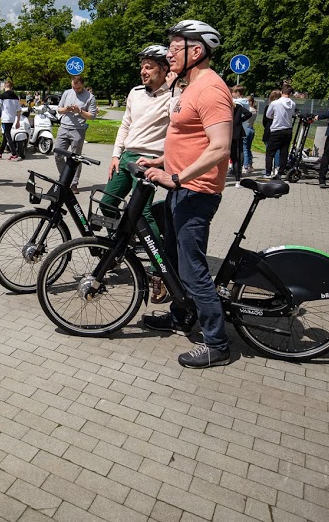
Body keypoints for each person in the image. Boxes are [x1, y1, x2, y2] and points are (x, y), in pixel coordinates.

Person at [140, 19, 234, 369]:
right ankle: (180, 317)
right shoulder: (189, 88)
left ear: (196, 51)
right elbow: (189, 140)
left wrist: (176, 177)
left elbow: (219, 147)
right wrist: (161, 160)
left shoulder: (211, 89)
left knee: (193, 270)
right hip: (181, 187)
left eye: (175, 47)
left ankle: (217, 343)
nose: (169, 54)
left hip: (195, 192)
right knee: (174, 259)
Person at [100, 45, 175, 303]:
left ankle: (158, 272)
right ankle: (118, 247)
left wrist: (160, 161)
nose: (143, 71)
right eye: (142, 66)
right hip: (128, 157)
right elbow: (125, 124)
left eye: (149, 66)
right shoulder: (134, 93)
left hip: (150, 161)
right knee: (107, 202)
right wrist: (115, 155)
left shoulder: (173, 96)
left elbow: (178, 131)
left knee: (142, 214)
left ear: (164, 69)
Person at [54, 74, 97, 193]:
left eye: (78, 88)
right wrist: (66, 109)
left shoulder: (90, 97)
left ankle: (73, 183)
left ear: (82, 84)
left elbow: (92, 116)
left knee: (75, 158)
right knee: (58, 155)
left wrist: (80, 111)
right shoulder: (67, 93)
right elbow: (59, 109)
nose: (75, 90)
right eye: (73, 87)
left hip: (78, 130)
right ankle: (64, 177)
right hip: (63, 127)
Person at [264, 84, 296, 178]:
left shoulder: (275, 103)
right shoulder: (293, 104)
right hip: (288, 129)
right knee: (284, 151)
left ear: (282, 92)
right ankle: (280, 172)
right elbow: (293, 114)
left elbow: (268, 115)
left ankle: (268, 172)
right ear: (290, 94)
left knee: (270, 152)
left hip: (277, 129)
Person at [229, 85, 252, 184]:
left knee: (234, 154)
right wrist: (239, 121)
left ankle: (235, 170)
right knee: (240, 152)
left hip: (230, 130)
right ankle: (239, 172)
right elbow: (249, 114)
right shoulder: (243, 103)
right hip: (240, 130)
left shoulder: (233, 105)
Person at [0, 79, 20, 159]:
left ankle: (14, 153)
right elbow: (18, 110)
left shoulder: (2, 96)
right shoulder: (16, 97)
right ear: (11, 87)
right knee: (6, 136)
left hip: (5, 119)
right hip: (12, 119)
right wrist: (18, 121)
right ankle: (0, 153)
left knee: (7, 135)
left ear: (5, 86)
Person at [261, 89, 282, 172]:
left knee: (269, 151)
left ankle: (268, 169)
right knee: (277, 150)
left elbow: (264, 120)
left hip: (269, 129)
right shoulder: (282, 106)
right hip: (279, 128)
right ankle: (277, 167)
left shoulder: (268, 106)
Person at [243, 94, 257, 173]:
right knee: (248, 148)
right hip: (251, 129)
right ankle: (250, 164)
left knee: (244, 148)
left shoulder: (249, 110)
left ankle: (245, 166)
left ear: (251, 102)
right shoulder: (254, 110)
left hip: (247, 129)